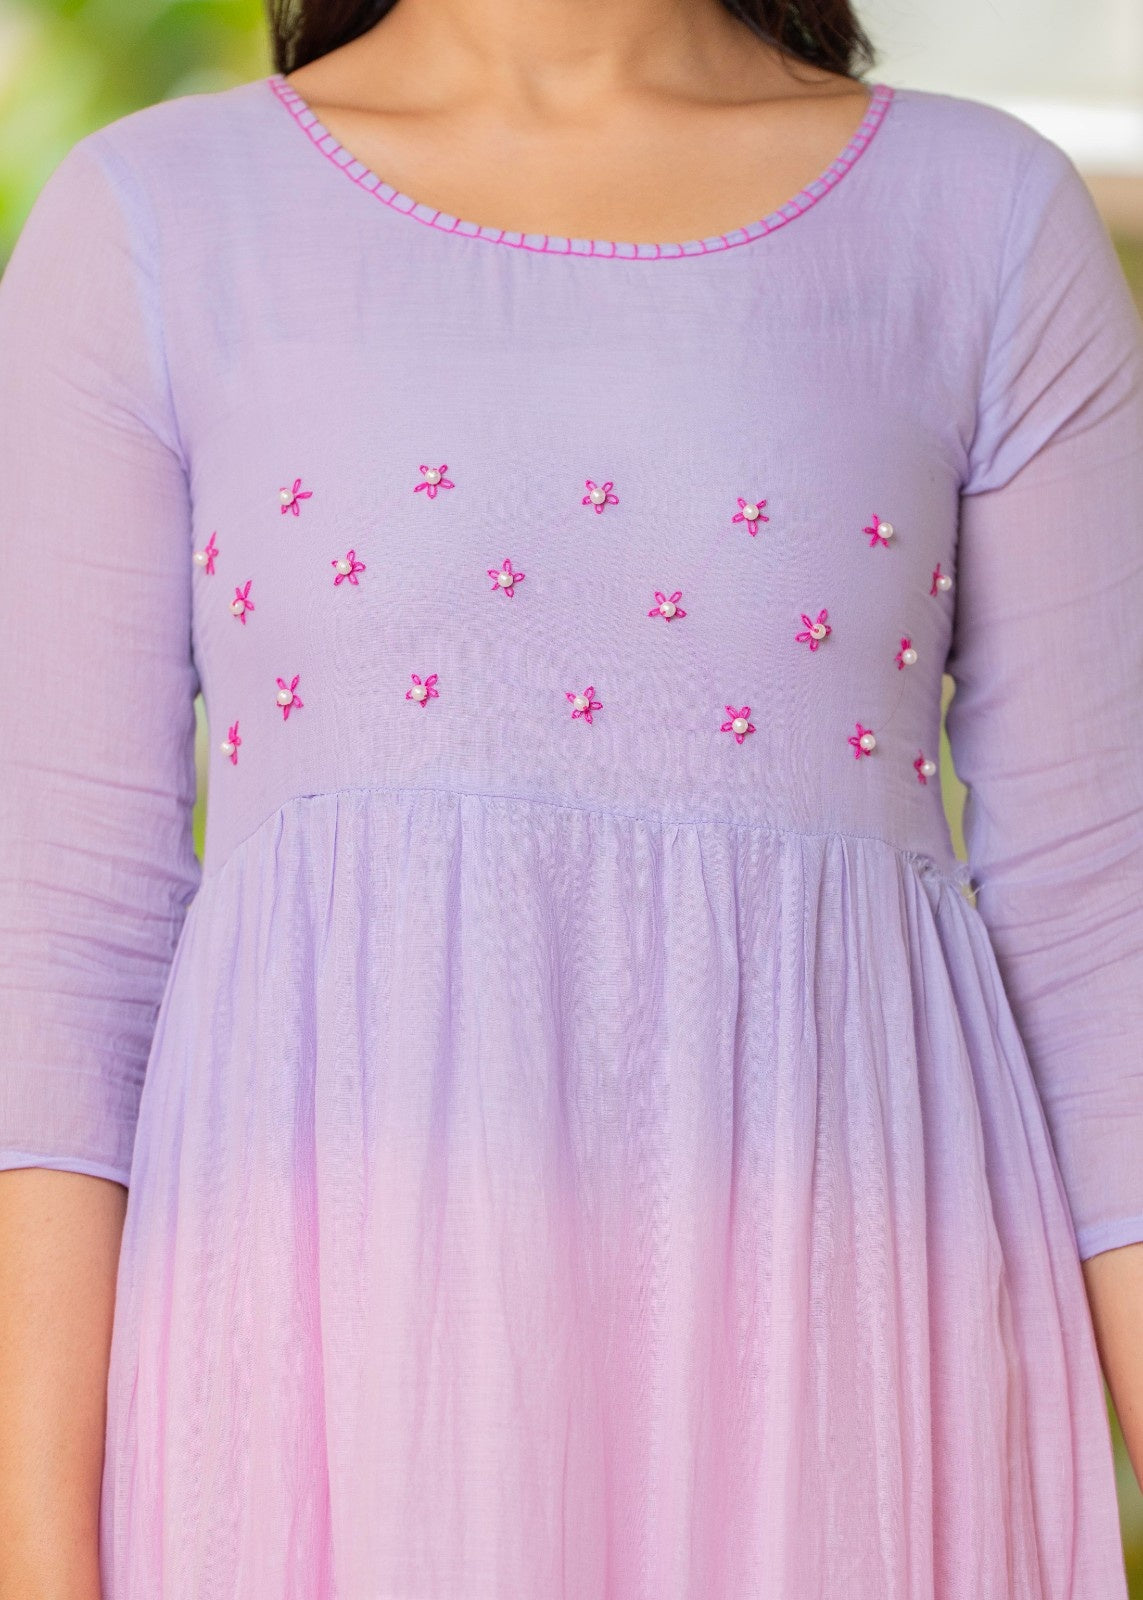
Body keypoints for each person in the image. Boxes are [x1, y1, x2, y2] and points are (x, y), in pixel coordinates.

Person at [1, 1, 1141, 1595]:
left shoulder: (984, 224)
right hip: (328, 1396)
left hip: (852, 1375)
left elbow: (1104, 939)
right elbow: (63, 954)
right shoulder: (154, 222)